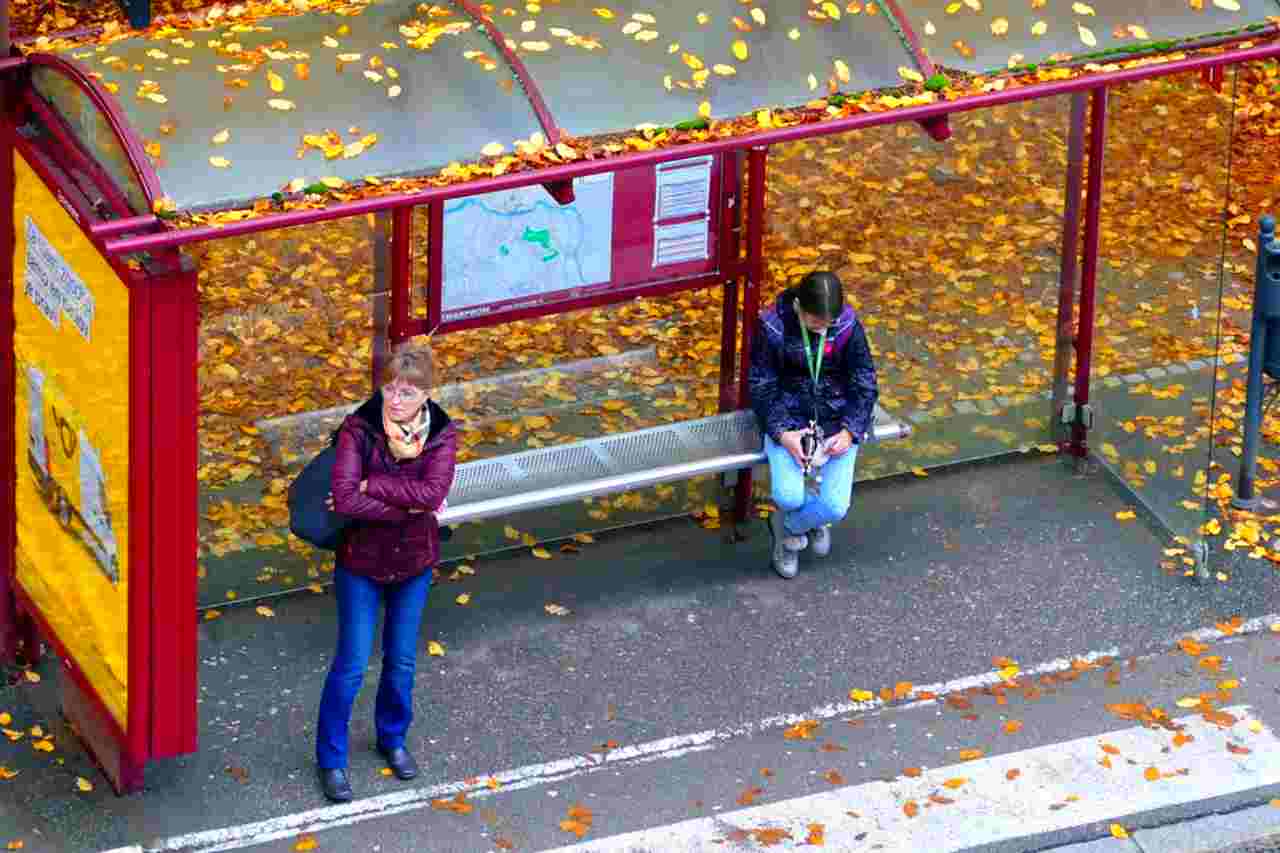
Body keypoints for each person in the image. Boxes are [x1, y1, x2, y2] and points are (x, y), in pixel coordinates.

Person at [316, 339, 457, 802]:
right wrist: (406, 504)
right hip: (361, 563)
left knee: (400, 663)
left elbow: (433, 495)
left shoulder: (441, 434)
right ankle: (331, 759)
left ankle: (392, 739)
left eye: (408, 393)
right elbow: (346, 499)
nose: (396, 400)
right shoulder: (358, 430)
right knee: (352, 666)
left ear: (427, 395)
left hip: (414, 563)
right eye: (391, 389)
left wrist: (375, 484)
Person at [748, 271, 878, 579]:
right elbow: (762, 386)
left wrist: (849, 430)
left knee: (835, 507)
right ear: (798, 306)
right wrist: (782, 433)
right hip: (789, 419)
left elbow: (865, 382)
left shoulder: (846, 326)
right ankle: (806, 519)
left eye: (828, 322)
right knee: (788, 497)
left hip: (837, 419)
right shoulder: (772, 327)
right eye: (816, 321)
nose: (823, 328)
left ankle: (788, 530)